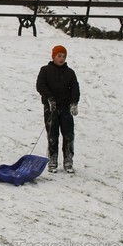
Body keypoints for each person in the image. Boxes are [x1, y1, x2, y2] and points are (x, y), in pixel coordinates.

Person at [36, 45, 80, 173]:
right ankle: (53, 160)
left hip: (65, 108)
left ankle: (68, 161)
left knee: (68, 135)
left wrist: (74, 103)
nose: (61, 58)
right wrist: (49, 98)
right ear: (53, 56)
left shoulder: (70, 73)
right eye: (59, 56)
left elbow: (75, 89)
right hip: (51, 108)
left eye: (64, 56)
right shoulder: (45, 70)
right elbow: (40, 85)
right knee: (52, 135)